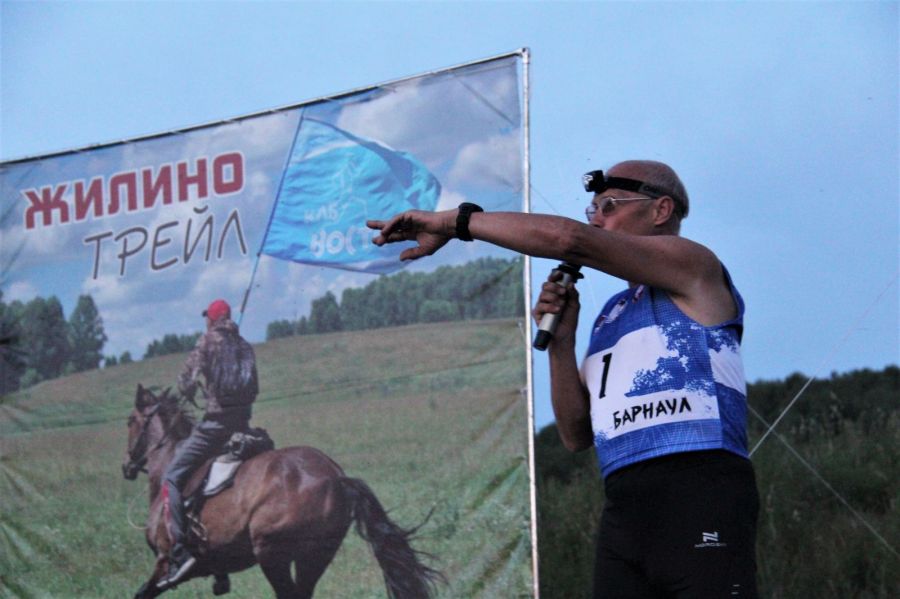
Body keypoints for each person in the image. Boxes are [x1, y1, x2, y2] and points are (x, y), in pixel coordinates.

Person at [367, 160, 759, 598]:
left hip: (698, 484)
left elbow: (570, 239)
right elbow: (575, 434)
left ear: (660, 210)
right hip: (624, 502)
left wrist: (455, 222)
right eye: (592, 211)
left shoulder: (695, 266)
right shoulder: (612, 313)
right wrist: (562, 344)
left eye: (609, 206)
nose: (597, 220)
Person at [157, 299, 259, 590]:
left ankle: (180, 551)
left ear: (212, 319)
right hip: (243, 425)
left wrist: (193, 392)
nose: (206, 322)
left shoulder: (207, 341)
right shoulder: (245, 346)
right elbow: (254, 388)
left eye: (207, 318)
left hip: (215, 427)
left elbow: (185, 383)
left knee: (171, 478)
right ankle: (219, 568)